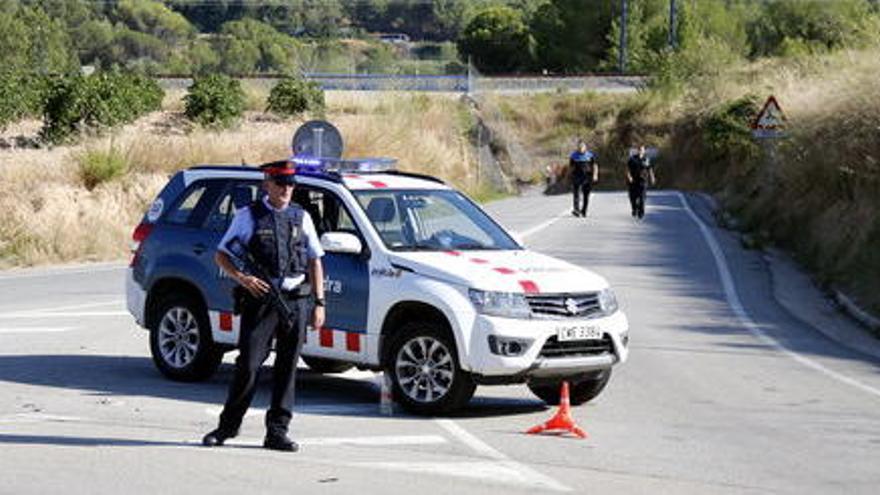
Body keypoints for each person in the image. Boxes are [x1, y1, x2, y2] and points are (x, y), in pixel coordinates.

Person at [202, 160, 325, 452]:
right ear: (266, 184)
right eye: (281, 183)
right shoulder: (248, 216)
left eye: (291, 184)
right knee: (248, 365)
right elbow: (222, 254)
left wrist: (319, 303)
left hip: (296, 300)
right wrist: (242, 278)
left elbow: (315, 260)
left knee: (287, 368)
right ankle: (227, 427)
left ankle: (277, 433)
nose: (286, 189)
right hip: (261, 301)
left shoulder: (301, 217)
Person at [570, 140, 599, 217]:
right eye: (579, 147)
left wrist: (595, 175)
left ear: (585, 147)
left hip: (587, 177)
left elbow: (595, 166)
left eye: (582, 146)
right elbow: (571, 167)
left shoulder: (590, 155)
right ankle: (576, 210)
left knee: (586, 195)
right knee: (576, 194)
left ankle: (584, 210)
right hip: (576, 176)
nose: (580, 148)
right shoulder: (573, 155)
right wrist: (570, 177)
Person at [626, 145, 656, 219]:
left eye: (642, 150)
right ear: (637, 150)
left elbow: (650, 169)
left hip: (643, 181)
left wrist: (652, 177)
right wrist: (629, 177)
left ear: (644, 151)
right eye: (639, 149)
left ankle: (641, 212)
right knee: (633, 197)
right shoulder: (632, 159)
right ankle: (634, 209)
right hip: (633, 181)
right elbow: (627, 170)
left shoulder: (646, 159)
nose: (641, 151)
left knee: (642, 197)